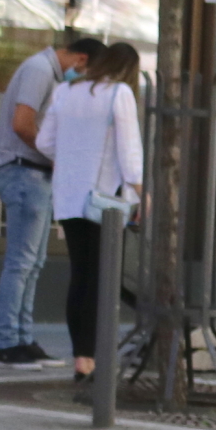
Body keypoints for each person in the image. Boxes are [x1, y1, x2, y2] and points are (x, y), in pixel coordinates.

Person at [35, 41, 143, 384]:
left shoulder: (65, 91)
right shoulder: (120, 93)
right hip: (103, 200)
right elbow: (129, 149)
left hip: (67, 196)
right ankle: (91, 358)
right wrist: (141, 192)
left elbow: (43, 143)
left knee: (81, 275)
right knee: (101, 279)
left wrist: (72, 157)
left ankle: (81, 357)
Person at [0, 33, 100, 367]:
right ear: (80, 59)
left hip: (33, 173)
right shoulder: (39, 70)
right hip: (24, 171)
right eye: (87, 72)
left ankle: (23, 338)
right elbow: (22, 123)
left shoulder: (46, 72)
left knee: (33, 263)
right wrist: (54, 154)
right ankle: (8, 343)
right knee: (22, 263)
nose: (82, 80)